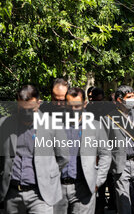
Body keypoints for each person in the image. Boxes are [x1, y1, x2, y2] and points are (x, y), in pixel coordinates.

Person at [0, 85, 69, 214]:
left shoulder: (53, 125)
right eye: (22, 109)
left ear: (39, 103)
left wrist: (47, 173)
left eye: (30, 109)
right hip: (12, 194)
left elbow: (63, 157)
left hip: (41, 195)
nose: (26, 114)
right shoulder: (4, 124)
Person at [53, 87, 112, 214]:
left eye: (77, 106)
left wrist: (97, 181)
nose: (73, 110)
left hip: (84, 188)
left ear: (85, 103)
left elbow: (105, 154)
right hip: (57, 187)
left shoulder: (96, 126)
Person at [106, 85, 134, 214]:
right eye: (129, 97)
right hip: (120, 163)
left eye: (133, 97)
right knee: (123, 200)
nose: (132, 100)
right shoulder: (109, 118)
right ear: (119, 100)